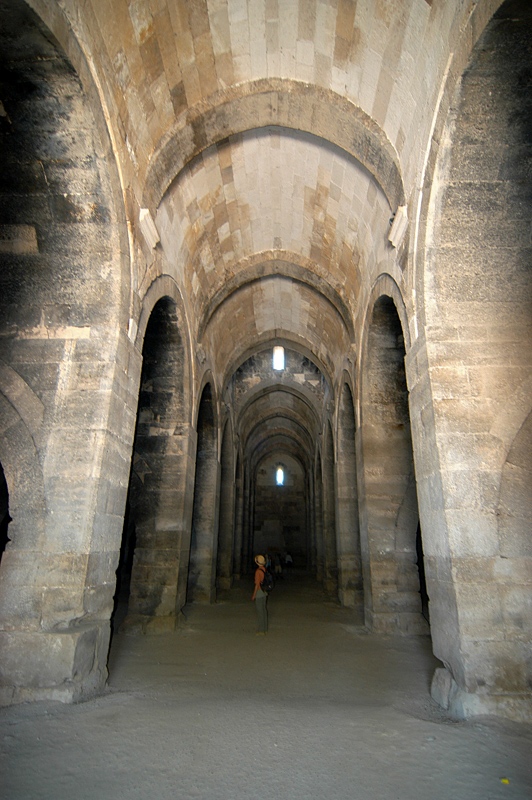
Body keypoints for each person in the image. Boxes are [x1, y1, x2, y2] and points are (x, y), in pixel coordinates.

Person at [251, 554, 268, 634]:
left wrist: (254, 595)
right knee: (264, 610)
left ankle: (261, 630)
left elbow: (257, 584)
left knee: (260, 611)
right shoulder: (264, 569)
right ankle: (265, 628)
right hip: (265, 591)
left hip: (260, 592)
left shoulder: (258, 571)